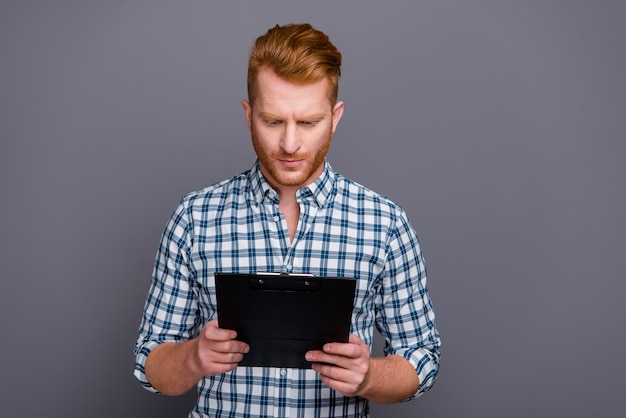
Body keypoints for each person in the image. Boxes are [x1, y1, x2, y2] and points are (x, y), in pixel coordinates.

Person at [134, 23, 440, 417]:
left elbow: (421, 358)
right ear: (248, 114)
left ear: (335, 116)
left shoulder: (386, 224)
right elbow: (150, 363)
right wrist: (194, 357)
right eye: (273, 121)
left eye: (309, 123)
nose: (290, 144)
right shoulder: (195, 218)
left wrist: (369, 376)